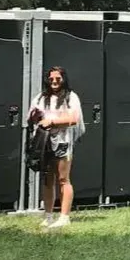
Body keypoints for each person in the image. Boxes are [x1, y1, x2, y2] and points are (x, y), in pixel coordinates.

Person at [30, 66, 82, 230]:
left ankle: (64, 216)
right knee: (47, 179)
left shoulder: (70, 97)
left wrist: (52, 121)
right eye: (51, 79)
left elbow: (74, 119)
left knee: (63, 179)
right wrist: (36, 116)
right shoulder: (41, 97)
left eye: (58, 79)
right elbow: (32, 116)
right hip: (44, 142)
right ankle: (48, 215)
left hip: (62, 141)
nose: (54, 82)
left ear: (63, 79)